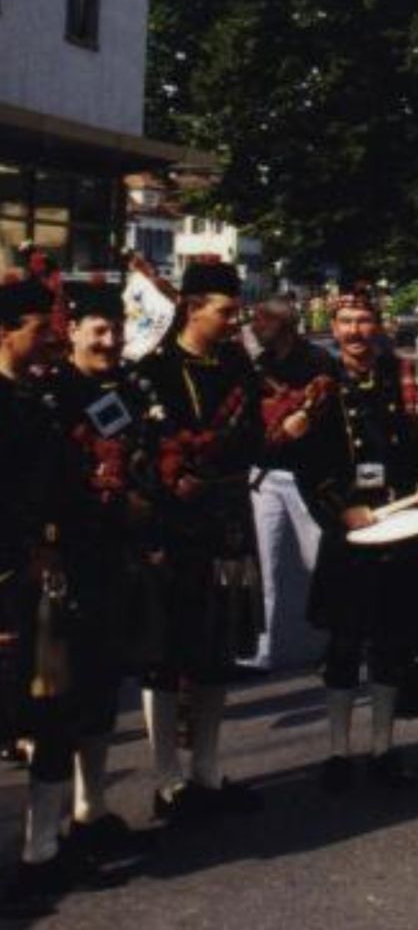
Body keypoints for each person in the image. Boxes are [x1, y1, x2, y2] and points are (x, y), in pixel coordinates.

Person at [298, 286, 418, 790]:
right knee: (344, 645)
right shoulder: (319, 385)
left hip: (402, 526)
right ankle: (338, 753)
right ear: (333, 325)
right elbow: (310, 466)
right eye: (345, 321)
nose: (354, 332)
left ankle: (383, 748)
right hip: (350, 531)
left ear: (380, 326)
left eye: (364, 321)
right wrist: (341, 510)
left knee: (391, 642)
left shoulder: (409, 376)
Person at [0, 275, 116, 917]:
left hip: (49, 580)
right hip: (9, 581)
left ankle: (41, 852)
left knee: (52, 716)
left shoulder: (38, 398)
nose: (49, 338)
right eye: (38, 328)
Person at [133, 259, 265, 821]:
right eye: (225, 312)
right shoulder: (155, 370)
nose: (234, 323)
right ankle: (168, 782)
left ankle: (206, 773)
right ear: (191, 307)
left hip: (228, 516)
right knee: (166, 654)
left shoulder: (236, 363)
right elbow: (141, 450)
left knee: (216, 650)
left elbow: (254, 434)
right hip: (174, 521)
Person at [37, 281, 157, 872]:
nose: (110, 341)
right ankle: (48, 834)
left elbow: (149, 455)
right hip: (68, 558)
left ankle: (92, 809)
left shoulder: (131, 388)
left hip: (119, 558)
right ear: (73, 332)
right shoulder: (51, 395)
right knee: (63, 698)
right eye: (98, 331)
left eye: (116, 329)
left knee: (105, 689)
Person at [243, 296, 334, 673]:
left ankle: (336, 641)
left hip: (305, 476)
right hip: (265, 476)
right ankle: (261, 647)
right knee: (267, 563)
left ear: (284, 324)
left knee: (320, 563)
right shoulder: (258, 362)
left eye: (263, 320)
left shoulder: (317, 361)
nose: (255, 326)